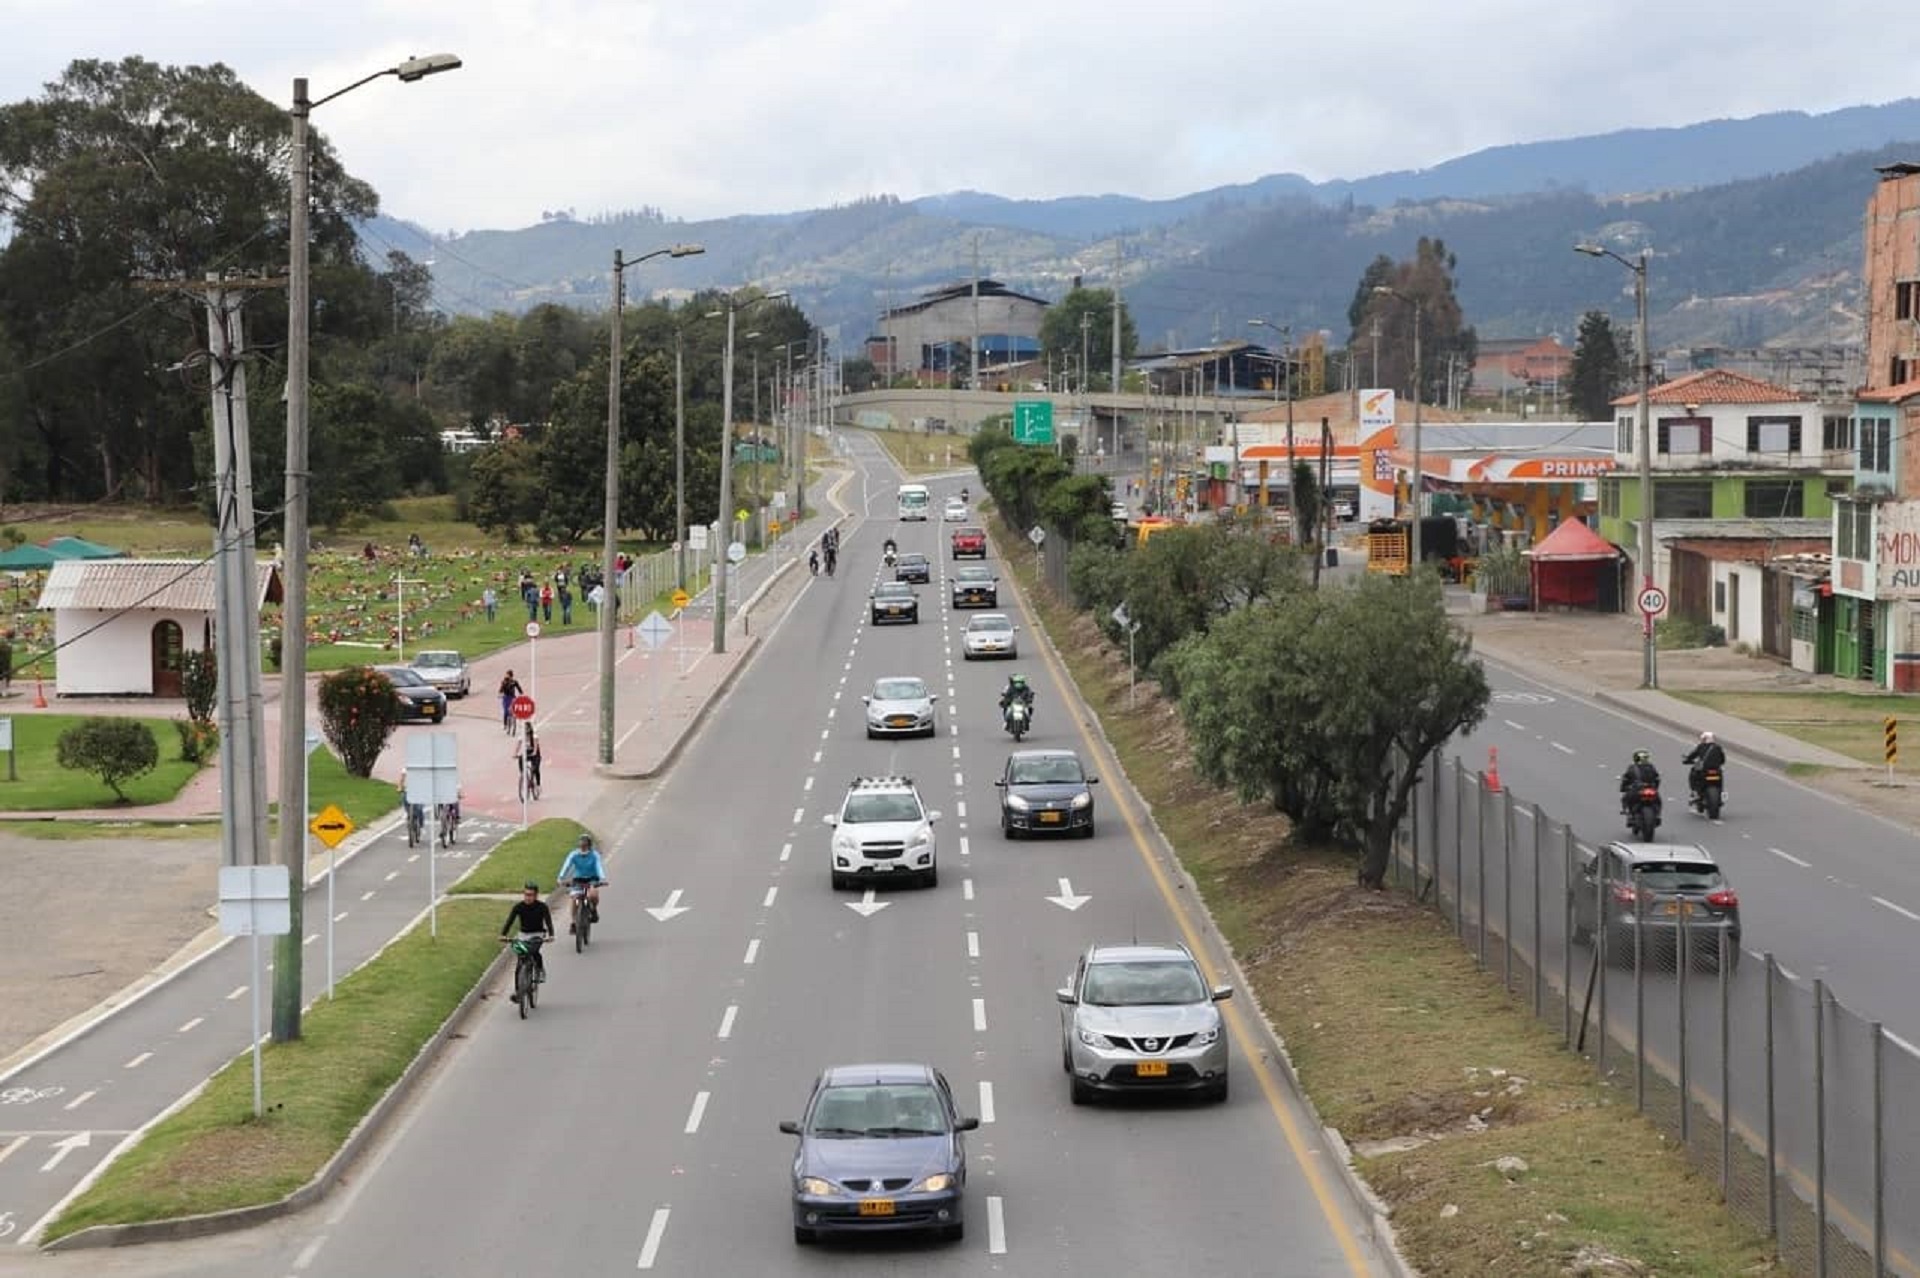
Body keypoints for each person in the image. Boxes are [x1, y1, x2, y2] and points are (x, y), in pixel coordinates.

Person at [499, 881, 555, 1000]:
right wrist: (503, 935)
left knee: (534, 951)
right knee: (520, 961)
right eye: (526, 894)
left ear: (536, 895)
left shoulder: (542, 907)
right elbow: (509, 921)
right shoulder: (518, 907)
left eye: (530, 895)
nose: (528, 897)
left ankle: (539, 970)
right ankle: (518, 992)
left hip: (537, 934)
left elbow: (548, 921)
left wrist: (551, 935)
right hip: (523, 935)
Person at [557, 833, 607, 931]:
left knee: (593, 895)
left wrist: (602, 878)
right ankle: (574, 922)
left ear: (589, 845)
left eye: (585, 845)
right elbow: (566, 865)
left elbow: (598, 867)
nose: (583, 847)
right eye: (581, 845)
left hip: (592, 878)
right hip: (578, 879)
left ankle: (593, 910)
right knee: (574, 899)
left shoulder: (594, 855)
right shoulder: (574, 854)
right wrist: (560, 878)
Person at [1682, 731, 1726, 803]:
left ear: (1705, 739)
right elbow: (1723, 760)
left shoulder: (1701, 746)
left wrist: (1687, 760)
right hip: (1716, 770)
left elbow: (1692, 755)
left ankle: (1695, 792)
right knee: (1720, 779)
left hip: (1704, 770)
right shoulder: (1718, 747)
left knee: (1693, 774)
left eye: (1703, 739)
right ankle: (1721, 794)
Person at [1619, 748, 1661, 815]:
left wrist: (1623, 788)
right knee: (1658, 800)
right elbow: (1657, 779)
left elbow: (1626, 779)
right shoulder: (1651, 766)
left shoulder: (1632, 767)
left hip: (1637, 789)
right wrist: (1655, 788)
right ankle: (1657, 814)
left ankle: (1626, 810)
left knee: (1626, 798)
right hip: (1649, 788)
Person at [517, 725, 543, 795]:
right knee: (520, 759)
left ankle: (538, 785)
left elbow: (535, 747)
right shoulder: (522, 737)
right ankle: (523, 775)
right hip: (527, 753)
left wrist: (534, 752)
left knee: (536, 769)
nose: (526, 731)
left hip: (535, 754)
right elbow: (518, 746)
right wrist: (515, 753)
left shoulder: (534, 736)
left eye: (527, 729)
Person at [499, 669, 523, 733]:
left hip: (510, 698)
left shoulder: (514, 682)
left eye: (507, 674)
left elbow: (519, 688)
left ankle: (509, 723)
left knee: (509, 711)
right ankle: (505, 724)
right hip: (507, 698)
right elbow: (501, 690)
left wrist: (521, 694)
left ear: (510, 675)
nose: (506, 676)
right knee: (506, 711)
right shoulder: (504, 682)